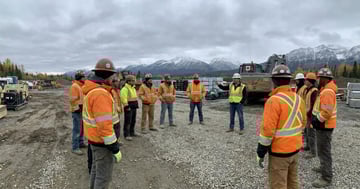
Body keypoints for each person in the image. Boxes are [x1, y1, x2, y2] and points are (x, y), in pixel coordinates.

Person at [256, 65, 306, 189]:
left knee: (278, 185)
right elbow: (303, 123)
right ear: (289, 80)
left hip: (279, 153)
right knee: (293, 182)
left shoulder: (273, 101)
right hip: (295, 150)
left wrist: (260, 152)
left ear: (274, 80)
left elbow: (267, 131)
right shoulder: (299, 99)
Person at [82, 58, 122, 188]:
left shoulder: (94, 91)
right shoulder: (100, 94)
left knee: (96, 171)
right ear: (108, 76)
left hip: (95, 141)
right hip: (102, 143)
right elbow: (104, 125)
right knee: (103, 177)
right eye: (113, 76)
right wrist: (114, 147)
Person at [311, 67, 337, 188]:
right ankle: (323, 168)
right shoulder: (326, 89)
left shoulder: (327, 92)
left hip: (324, 126)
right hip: (324, 125)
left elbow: (327, 112)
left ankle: (326, 177)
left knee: (324, 151)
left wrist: (317, 120)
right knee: (322, 150)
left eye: (320, 78)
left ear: (325, 79)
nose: (318, 80)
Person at [69, 70, 86, 155]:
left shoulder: (80, 86)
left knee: (81, 128)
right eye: (83, 77)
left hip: (80, 110)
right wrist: (77, 108)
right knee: (77, 129)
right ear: (80, 78)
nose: (85, 78)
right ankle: (75, 147)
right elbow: (72, 100)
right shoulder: (75, 86)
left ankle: (81, 143)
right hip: (76, 111)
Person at [303, 72, 318, 159]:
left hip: (311, 116)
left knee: (311, 134)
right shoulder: (308, 90)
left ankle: (313, 152)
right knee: (307, 132)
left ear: (310, 81)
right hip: (307, 115)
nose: (305, 81)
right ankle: (308, 146)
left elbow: (313, 104)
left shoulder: (314, 91)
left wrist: (310, 116)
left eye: (306, 80)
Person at [121, 75, 139, 141]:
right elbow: (123, 98)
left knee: (133, 120)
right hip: (128, 107)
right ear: (129, 81)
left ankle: (132, 132)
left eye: (134, 80)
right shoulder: (125, 89)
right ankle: (126, 134)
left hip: (134, 106)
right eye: (133, 80)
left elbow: (134, 97)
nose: (134, 82)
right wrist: (126, 106)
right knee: (128, 121)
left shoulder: (133, 88)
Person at [111, 77, 123, 144]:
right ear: (113, 82)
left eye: (118, 81)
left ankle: (116, 140)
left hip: (118, 111)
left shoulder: (118, 90)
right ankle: (113, 141)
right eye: (116, 81)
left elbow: (119, 101)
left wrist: (121, 108)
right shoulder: (111, 91)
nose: (118, 83)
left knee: (117, 127)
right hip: (113, 112)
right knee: (113, 127)